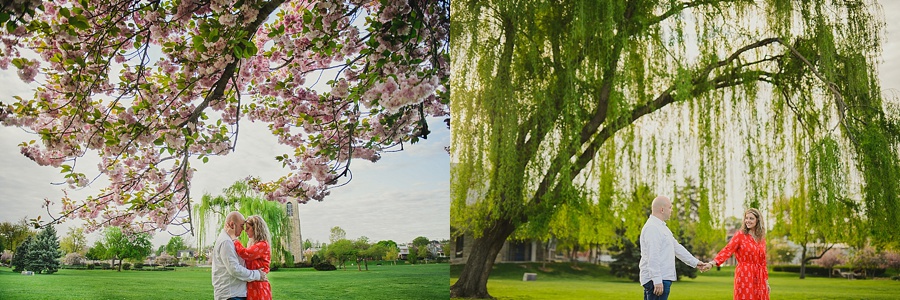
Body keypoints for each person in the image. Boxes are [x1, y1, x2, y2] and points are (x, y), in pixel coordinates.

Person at [639, 195, 711, 300]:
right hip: (657, 281)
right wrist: (657, 280)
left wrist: (695, 263)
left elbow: (677, 248)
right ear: (662, 209)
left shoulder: (662, 228)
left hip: (662, 279)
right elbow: (653, 256)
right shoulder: (652, 228)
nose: (671, 210)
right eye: (670, 207)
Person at [707, 208, 769, 300]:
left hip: (760, 276)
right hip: (744, 273)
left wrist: (766, 282)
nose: (748, 220)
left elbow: (763, 262)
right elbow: (727, 250)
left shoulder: (761, 239)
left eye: (751, 218)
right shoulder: (740, 235)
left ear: (758, 220)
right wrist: (713, 263)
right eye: (746, 218)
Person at [212, 211, 268, 300]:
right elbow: (234, 269)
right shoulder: (226, 242)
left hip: (235, 293)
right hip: (231, 295)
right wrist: (258, 275)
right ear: (232, 225)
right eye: (242, 226)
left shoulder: (230, 240)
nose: (244, 229)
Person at [231, 215, 273, 300]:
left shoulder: (263, 245)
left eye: (248, 228)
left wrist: (234, 239)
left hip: (259, 286)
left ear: (256, 229)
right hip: (253, 284)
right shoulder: (254, 244)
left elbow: (246, 254)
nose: (245, 231)